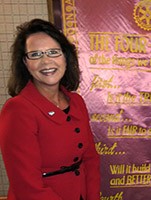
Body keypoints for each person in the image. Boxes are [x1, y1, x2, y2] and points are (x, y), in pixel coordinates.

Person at [0, 19, 100, 200]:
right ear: (25, 63)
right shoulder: (17, 110)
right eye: (35, 54)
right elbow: (27, 187)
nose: (46, 61)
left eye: (53, 52)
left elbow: (90, 159)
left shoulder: (76, 101)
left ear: (65, 57)